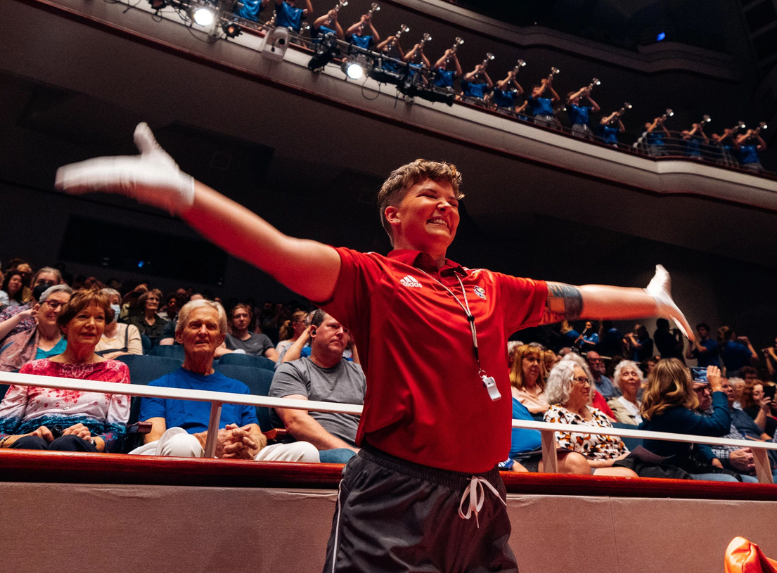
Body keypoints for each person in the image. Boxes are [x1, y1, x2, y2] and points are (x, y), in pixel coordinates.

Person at [57, 125, 691, 572]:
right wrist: (183, 194)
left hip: (483, 493)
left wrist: (649, 298)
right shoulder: (372, 277)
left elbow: (578, 298)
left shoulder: (493, 288)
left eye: (453, 201)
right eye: (428, 196)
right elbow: (277, 250)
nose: (445, 205)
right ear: (393, 214)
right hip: (396, 490)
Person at [130, 299, 318, 462]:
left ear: (220, 339)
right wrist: (207, 441)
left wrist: (246, 444)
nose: (203, 332)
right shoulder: (158, 387)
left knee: (305, 451)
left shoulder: (238, 389)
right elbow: (155, 442)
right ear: (179, 336)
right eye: (195, 325)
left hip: (236, 456)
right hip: (188, 453)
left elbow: (257, 435)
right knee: (181, 443)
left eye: (211, 327)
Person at [0, 289, 131, 452]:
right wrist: (28, 436)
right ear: (64, 325)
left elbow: (118, 433)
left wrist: (90, 440)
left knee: (68, 444)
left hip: (84, 448)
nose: (91, 324)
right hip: (31, 445)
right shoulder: (33, 369)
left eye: (99, 318)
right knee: (31, 445)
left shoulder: (117, 370)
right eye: (83, 316)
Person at [270, 309, 365, 463]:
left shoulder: (360, 374)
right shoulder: (292, 370)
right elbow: (296, 422)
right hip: (316, 452)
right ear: (313, 332)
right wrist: (355, 454)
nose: (341, 332)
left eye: (346, 330)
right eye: (334, 326)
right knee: (346, 458)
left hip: (361, 454)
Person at [632, 362, 748, 482]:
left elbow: (695, 435)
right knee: (730, 481)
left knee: (750, 481)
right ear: (680, 383)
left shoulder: (669, 410)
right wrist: (717, 388)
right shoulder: (672, 413)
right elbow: (720, 426)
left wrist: (711, 458)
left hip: (681, 470)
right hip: (669, 474)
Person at [542, 358, 635, 477]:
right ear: (563, 383)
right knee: (627, 475)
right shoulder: (556, 414)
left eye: (587, 381)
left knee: (654, 470)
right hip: (588, 470)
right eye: (580, 380)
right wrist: (609, 463)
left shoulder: (598, 414)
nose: (587, 386)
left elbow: (622, 450)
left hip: (620, 464)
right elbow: (567, 459)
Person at [0, 285, 71, 372]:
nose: (58, 310)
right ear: (37, 308)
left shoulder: (77, 344)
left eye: (65, 307)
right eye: (53, 304)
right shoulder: (14, 342)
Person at [509, 343, 548, 416]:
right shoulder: (509, 389)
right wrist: (540, 410)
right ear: (519, 362)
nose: (536, 364)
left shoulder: (545, 389)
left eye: (538, 361)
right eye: (531, 359)